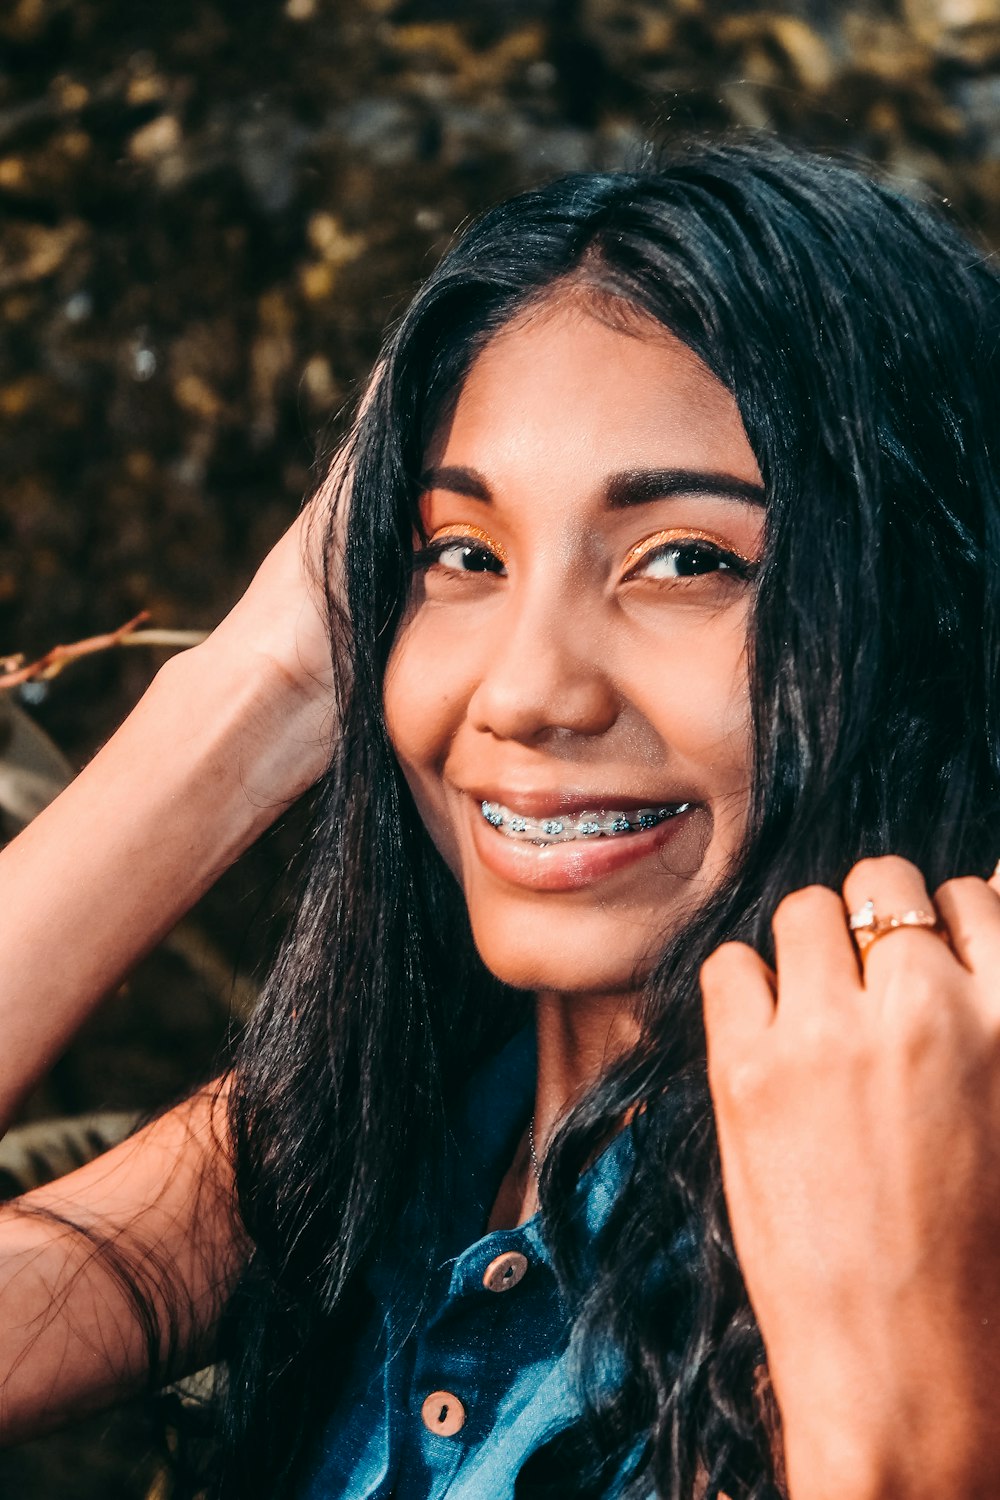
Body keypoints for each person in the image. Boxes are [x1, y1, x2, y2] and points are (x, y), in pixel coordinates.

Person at [1, 135, 1000, 1500]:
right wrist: (255, 690)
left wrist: (909, 1424)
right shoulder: (357, 1139)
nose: (528, 691)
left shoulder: (954, 1203)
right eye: (462, 555)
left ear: (926, 619)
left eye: (690, 561)